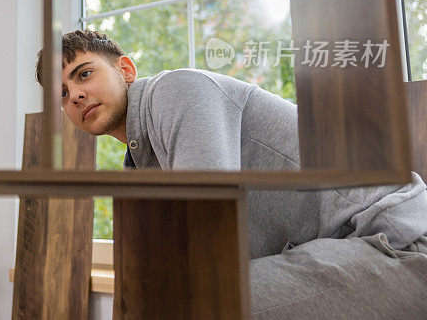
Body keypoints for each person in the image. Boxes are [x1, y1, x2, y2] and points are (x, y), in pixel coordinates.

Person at [36, 29, 427, 319]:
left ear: (126, 69)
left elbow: (209, 237)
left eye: (83, 75)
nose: (75, 96)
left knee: (197, 305)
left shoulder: (176, 90)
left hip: (396, 240)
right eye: (63, 96)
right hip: (338, 248)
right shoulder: (141, 157)